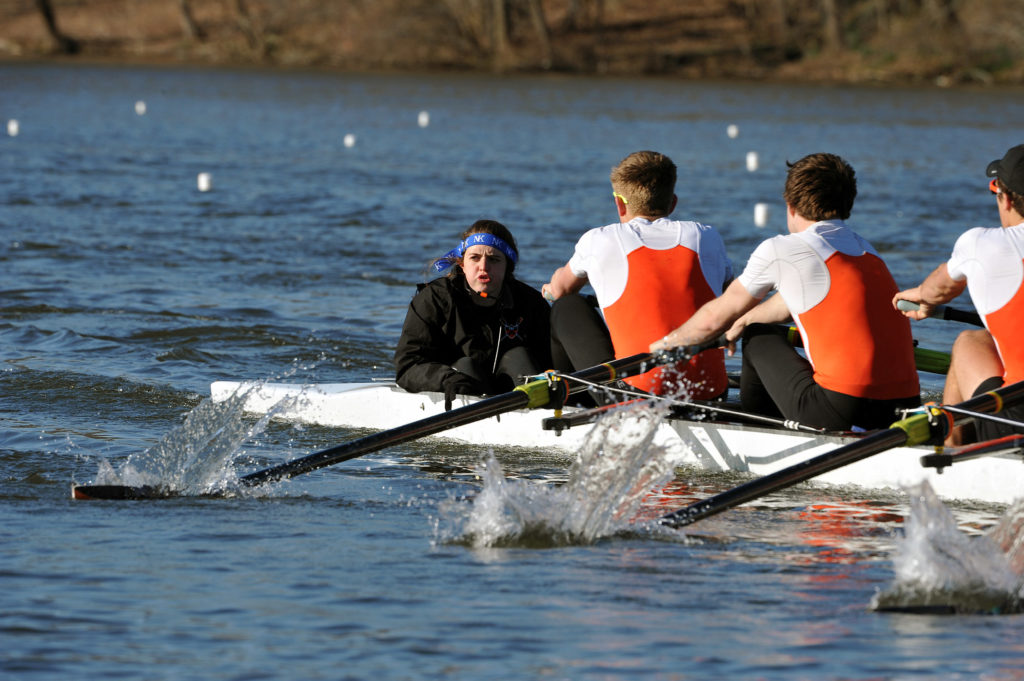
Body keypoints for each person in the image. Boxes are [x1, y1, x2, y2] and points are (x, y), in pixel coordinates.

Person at [651, 152, 920, 431]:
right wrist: (744, 319)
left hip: (843, 409)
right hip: (903, 406)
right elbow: (793, 301)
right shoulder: (866, 250)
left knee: (757, 336)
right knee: (754, 323)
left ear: (790, 206)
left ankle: (761, 428)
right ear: (847, 205)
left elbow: (717, 315)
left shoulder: (782, 249)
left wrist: (668, 343)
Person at [541, 150, 733, 400]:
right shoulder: (706, 236)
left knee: (567, 306)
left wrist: (551, 288)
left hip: (636, 396)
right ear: (673, 203)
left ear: (619, 204)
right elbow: (732, 296)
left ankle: (566, 400)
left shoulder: (600, 239)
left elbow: (561, 289)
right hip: (711, 394)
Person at [894, 144, 1024, 445]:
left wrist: (923, 299)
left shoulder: (981, 244)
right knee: (983, 338)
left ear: (1005, 198)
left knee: (967, 343)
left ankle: (951, 444)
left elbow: (938, 288)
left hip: (1016, 423)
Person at [394, 220, 552, 406]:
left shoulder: (532, 303)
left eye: (493, 259)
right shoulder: (434, 299)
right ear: (462, 265)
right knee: (465, 366)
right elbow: (407, 366)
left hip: (514, 389)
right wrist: (445, 379)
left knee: (519, 356)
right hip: (460, 386)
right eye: (475, 258)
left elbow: (552, 364)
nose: (483, 267)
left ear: (507, 267)